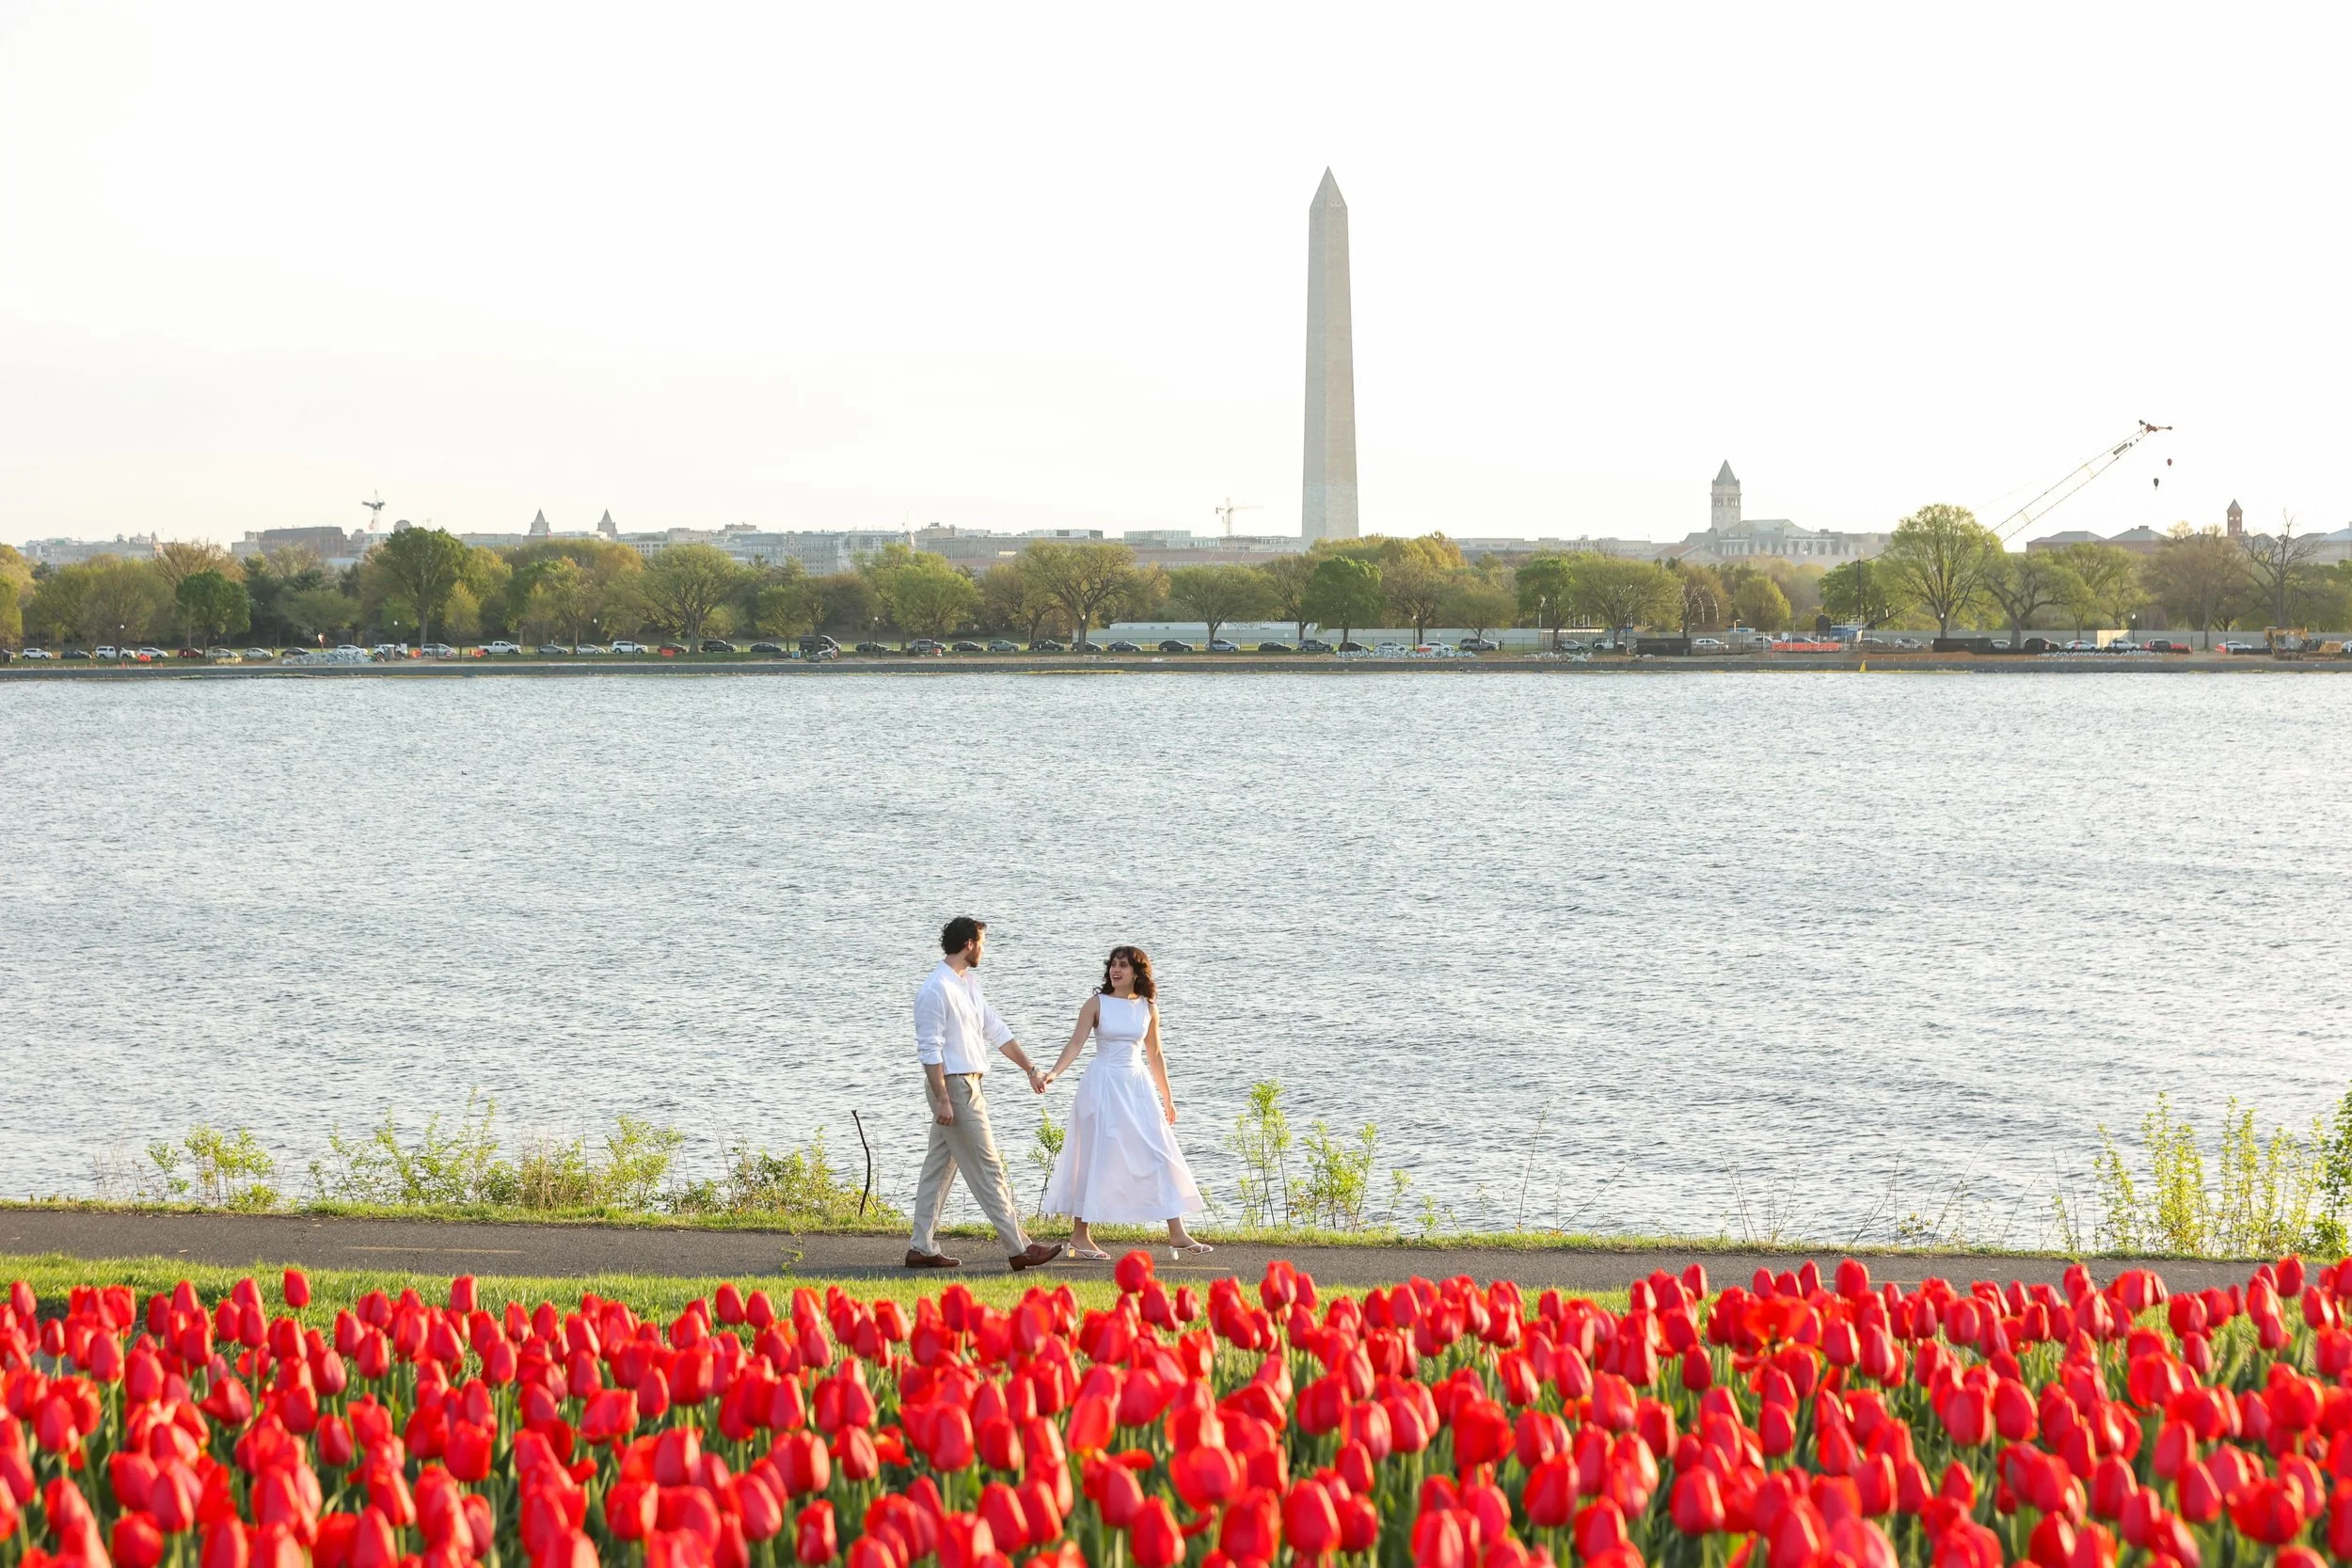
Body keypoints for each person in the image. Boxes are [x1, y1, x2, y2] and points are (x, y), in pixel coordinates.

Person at [906, 916, 1065, 1272]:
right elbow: (929, 1050)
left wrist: (1030, 1069)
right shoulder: (936, 989)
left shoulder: (967, 984)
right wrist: (943, 1098)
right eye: (982, 943)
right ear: (969, 944)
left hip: (968, 1085)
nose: (984, 949)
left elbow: (996, 1030)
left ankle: (921, 1248)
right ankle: (1019, 1247)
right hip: (954, 1088)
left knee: (939, 1168)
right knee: (989, 1165)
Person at [1038, 944, 1211, 1259]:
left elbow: (1155, 1054)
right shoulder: (1096, 1003)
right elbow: (1075, 1044)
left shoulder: (1148, 1007)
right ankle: (1080, 1234)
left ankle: (1177, 1232)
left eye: (1123, 965)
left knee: (1159, 1150)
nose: (1116, 970)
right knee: (1095, 1154)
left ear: (1136, 972)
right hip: (1102, 1084)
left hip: (1136, 1086)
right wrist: (1053, 1073)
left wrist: (1167, 1096)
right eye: (1113, 964)